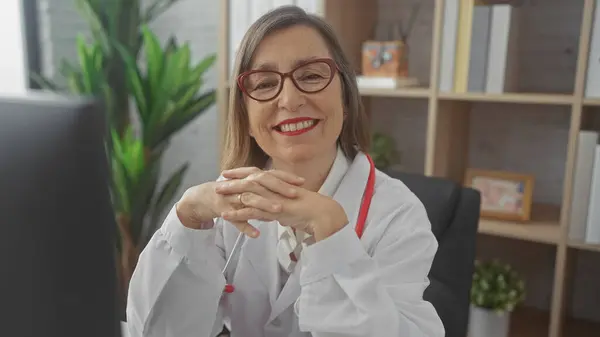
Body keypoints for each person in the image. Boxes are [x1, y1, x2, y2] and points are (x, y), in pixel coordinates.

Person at [126, 5, 444, 337]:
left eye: (311, 76)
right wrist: (188, 217)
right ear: (245, 117)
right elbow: (156, 330)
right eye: (264, 84)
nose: (289, 100)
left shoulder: (397, 215)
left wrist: (330, 229)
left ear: (346, 99)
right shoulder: (226, 205)